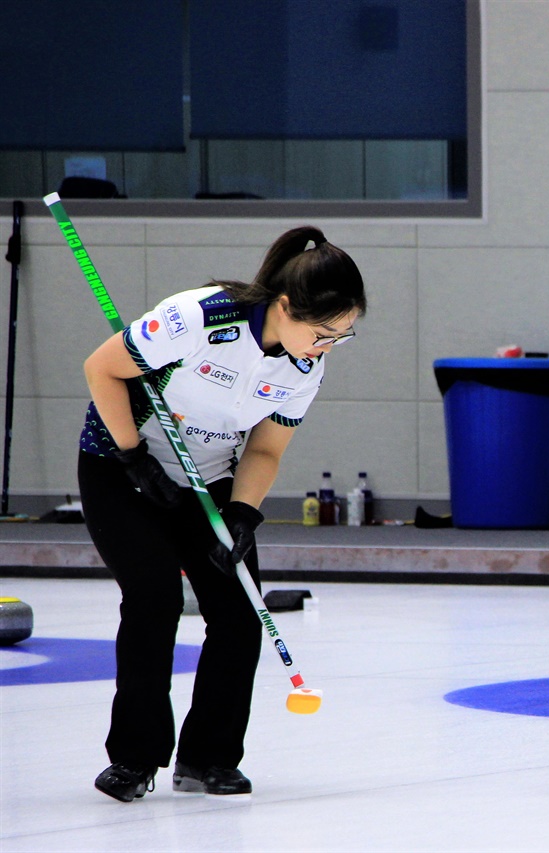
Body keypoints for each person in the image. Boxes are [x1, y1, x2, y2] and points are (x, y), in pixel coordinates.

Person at [81, 226, 366, 802]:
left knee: (239, 615)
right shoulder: (199, 319)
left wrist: (243, 513)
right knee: (154, 594)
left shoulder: (304, 367)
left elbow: (265, 448)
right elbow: (102, 369)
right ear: (285, 307)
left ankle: (208, 756)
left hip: (209, 483)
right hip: (123, 468)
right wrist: (135, 459)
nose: (328, 346)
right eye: (324, 331)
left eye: (344, 336)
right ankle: (135, 759)